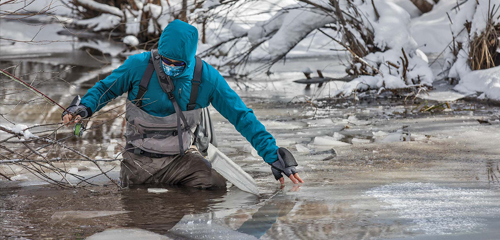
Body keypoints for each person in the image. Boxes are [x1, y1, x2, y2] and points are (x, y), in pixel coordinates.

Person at [62, 19, 304, 189]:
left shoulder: (207, 78)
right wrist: (85, 108)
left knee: (216, 186)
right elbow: (105, 88)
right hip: (139, 162)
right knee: (141, 210)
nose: (168, 66)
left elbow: (241, 116)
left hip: (182, 160)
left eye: (176, 63)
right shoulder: (138, 66)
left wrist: (272, 154)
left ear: (189, 59)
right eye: (165, 60)